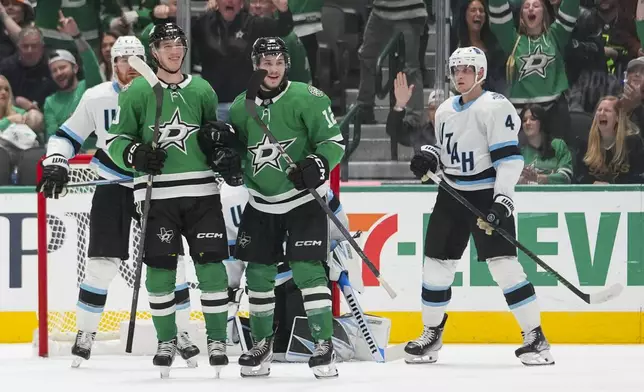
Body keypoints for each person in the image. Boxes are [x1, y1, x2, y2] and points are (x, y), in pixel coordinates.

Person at [36, 35, 200, 368]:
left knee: (170, 263)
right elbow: (67, 136)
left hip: (155, 188)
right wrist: (56, 162)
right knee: (100, 264)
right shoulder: (96, 97)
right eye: (123, 60)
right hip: (112, 184)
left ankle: (180, 333)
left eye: (136, 60)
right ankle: (86, 334)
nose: (130, 67)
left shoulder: (163, 94)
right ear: (114, 64)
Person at [407, 47, 553, 366]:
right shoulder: (445, 109)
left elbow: (509, 160)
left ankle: (536, 337)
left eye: (467, 70)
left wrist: (502, 201)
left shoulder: (495, 107)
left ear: (481, 73)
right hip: (451, 193)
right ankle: (431, 333)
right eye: (456, 69)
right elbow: (449, 155)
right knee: (435, 265)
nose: (460, 75)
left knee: (503, 265)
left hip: (485, 193)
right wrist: (430, 158)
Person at [209, 37, 345, 378]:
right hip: (261, 204)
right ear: (255, 64)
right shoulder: (241, 107)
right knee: (257, 274)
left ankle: (323, 344)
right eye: (266, 62)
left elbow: (334, 142)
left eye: (279, 62)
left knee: (308, 271)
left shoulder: (308, 98)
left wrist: (317, 163)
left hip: (301, 202)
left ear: (287, 64)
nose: (273, 68)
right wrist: (231, 162)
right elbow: (242, 151)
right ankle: (262, 344)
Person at [106, 23, 231, 378]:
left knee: (211, 269)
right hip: (156, 196)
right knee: (160, 273)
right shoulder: (136, 92)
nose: (174, 50)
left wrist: (220, 145)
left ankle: (218, 340)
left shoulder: (203, 89)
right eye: (166, 45)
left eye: (179, 44)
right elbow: (116, 142)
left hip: (202, 193)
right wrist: (136, 153)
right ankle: (167, 340)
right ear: (154, 51)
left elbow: (212, 137)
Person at [489, 0, 579, 142]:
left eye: (536, 6)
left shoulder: (555, 36)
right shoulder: (513, 40)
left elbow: (570, 10)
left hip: (554, 113)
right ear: (521, 15)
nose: (531, 9)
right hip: (521, 115)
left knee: (558, 157)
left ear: (544, 13)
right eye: (526, 6)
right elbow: (499, 20)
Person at [43, 12, 103, 148]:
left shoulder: (89, 86)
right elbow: (53, 136)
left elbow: (90, 61)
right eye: (54, 70)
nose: (58, 73)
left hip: (98, 153)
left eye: (62, 67)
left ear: (75, 68)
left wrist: (77, 36)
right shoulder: (50, 102)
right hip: (69, 158)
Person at [575, 96, 644, 184]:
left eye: (607, 110)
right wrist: (592, 183)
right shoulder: (585, 141)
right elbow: (579, 176)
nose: (601, 113)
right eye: (599, 110)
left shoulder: (632, 142)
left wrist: (612, 187)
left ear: (617, 117)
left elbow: (638, 176)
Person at [519, 104, 573, 184]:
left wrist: (538, 178)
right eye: (524, 120)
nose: (527, 123)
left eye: (533, 119)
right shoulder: (519, 151)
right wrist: (521, 180)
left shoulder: (558, 145)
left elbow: (565, 177)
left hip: (555, 195)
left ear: (542, 122)